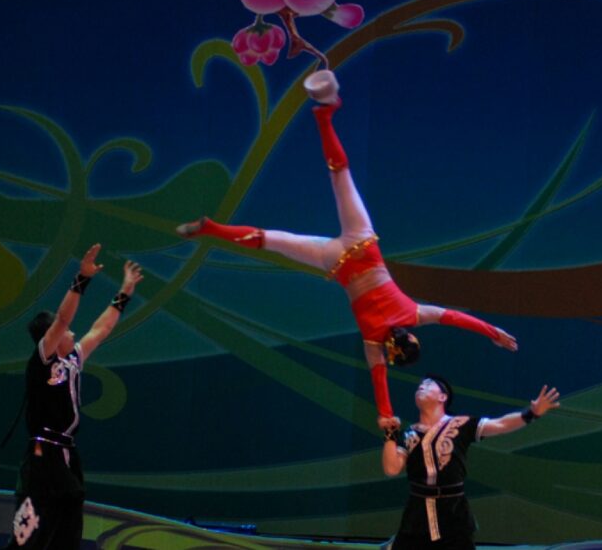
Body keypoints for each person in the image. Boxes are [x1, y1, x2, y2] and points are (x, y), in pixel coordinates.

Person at [175, 70, 517, 430]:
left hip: (358, 244)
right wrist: (384, 413)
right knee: (272, 239)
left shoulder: (413, 315)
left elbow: (454, 318)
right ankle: (212, 229)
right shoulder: (375, 342)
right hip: (337, 260)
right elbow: (380, 379)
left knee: (338, 176)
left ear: (410, 338)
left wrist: (492, 332)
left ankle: (324, 117)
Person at [5, 244, 143, 549]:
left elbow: (102, 328)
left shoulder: (73, 360)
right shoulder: (43, 359)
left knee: (68, 522)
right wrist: (82, 278)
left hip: (66, 453)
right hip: (43, 455)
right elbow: (63, 320)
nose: (72, 333)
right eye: (66, 331)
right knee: (30, 530)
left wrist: (125, 292)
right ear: (52, 336)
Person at [381, 375, 560, 549]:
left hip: (453, 513)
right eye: (420, 385)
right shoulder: (409, 433)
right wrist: (390, 435)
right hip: (417, 514)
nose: (422, 386)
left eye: (429, 384)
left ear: (442, 397)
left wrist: (531, 413)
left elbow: (500, 424)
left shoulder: (461, 424)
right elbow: (392, 468)